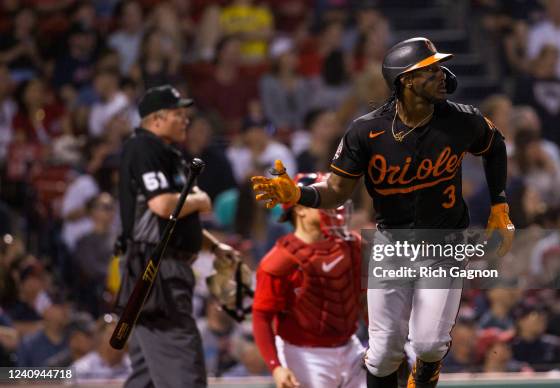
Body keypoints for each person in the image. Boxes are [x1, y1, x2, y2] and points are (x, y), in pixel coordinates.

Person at [251, 37, 514, 388]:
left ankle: (427, 367)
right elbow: (336, 191)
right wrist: (298, 193)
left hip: (444, 242)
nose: (441, 75)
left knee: (429, 344)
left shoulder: (461, 120)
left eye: (439, 67)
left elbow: (495, 147)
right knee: (384, 352)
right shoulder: (367, 131)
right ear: (405, 79)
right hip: (392, 242)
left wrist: (500, 204)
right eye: (430, 69)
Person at [116, 84, 241, 388]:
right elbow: (163, 206)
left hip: (161, 266)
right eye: (177, 114)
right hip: (156, 272)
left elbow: (175, 224)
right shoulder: (145, 147)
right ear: (156, 119)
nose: (185, 119)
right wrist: (200, 199)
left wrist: (215, 246)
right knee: (184, 373)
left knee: (147, 375)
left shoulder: (168, 154)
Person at [252, 173, 365, 388]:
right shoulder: (280, 259)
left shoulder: (352, 246)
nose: (333, 205)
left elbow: (366, 297)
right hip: (303, 353)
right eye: (322, 200)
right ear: (300, 208)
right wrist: (276, 366)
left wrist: (385, 345)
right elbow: (261, 317)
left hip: (351, 346)